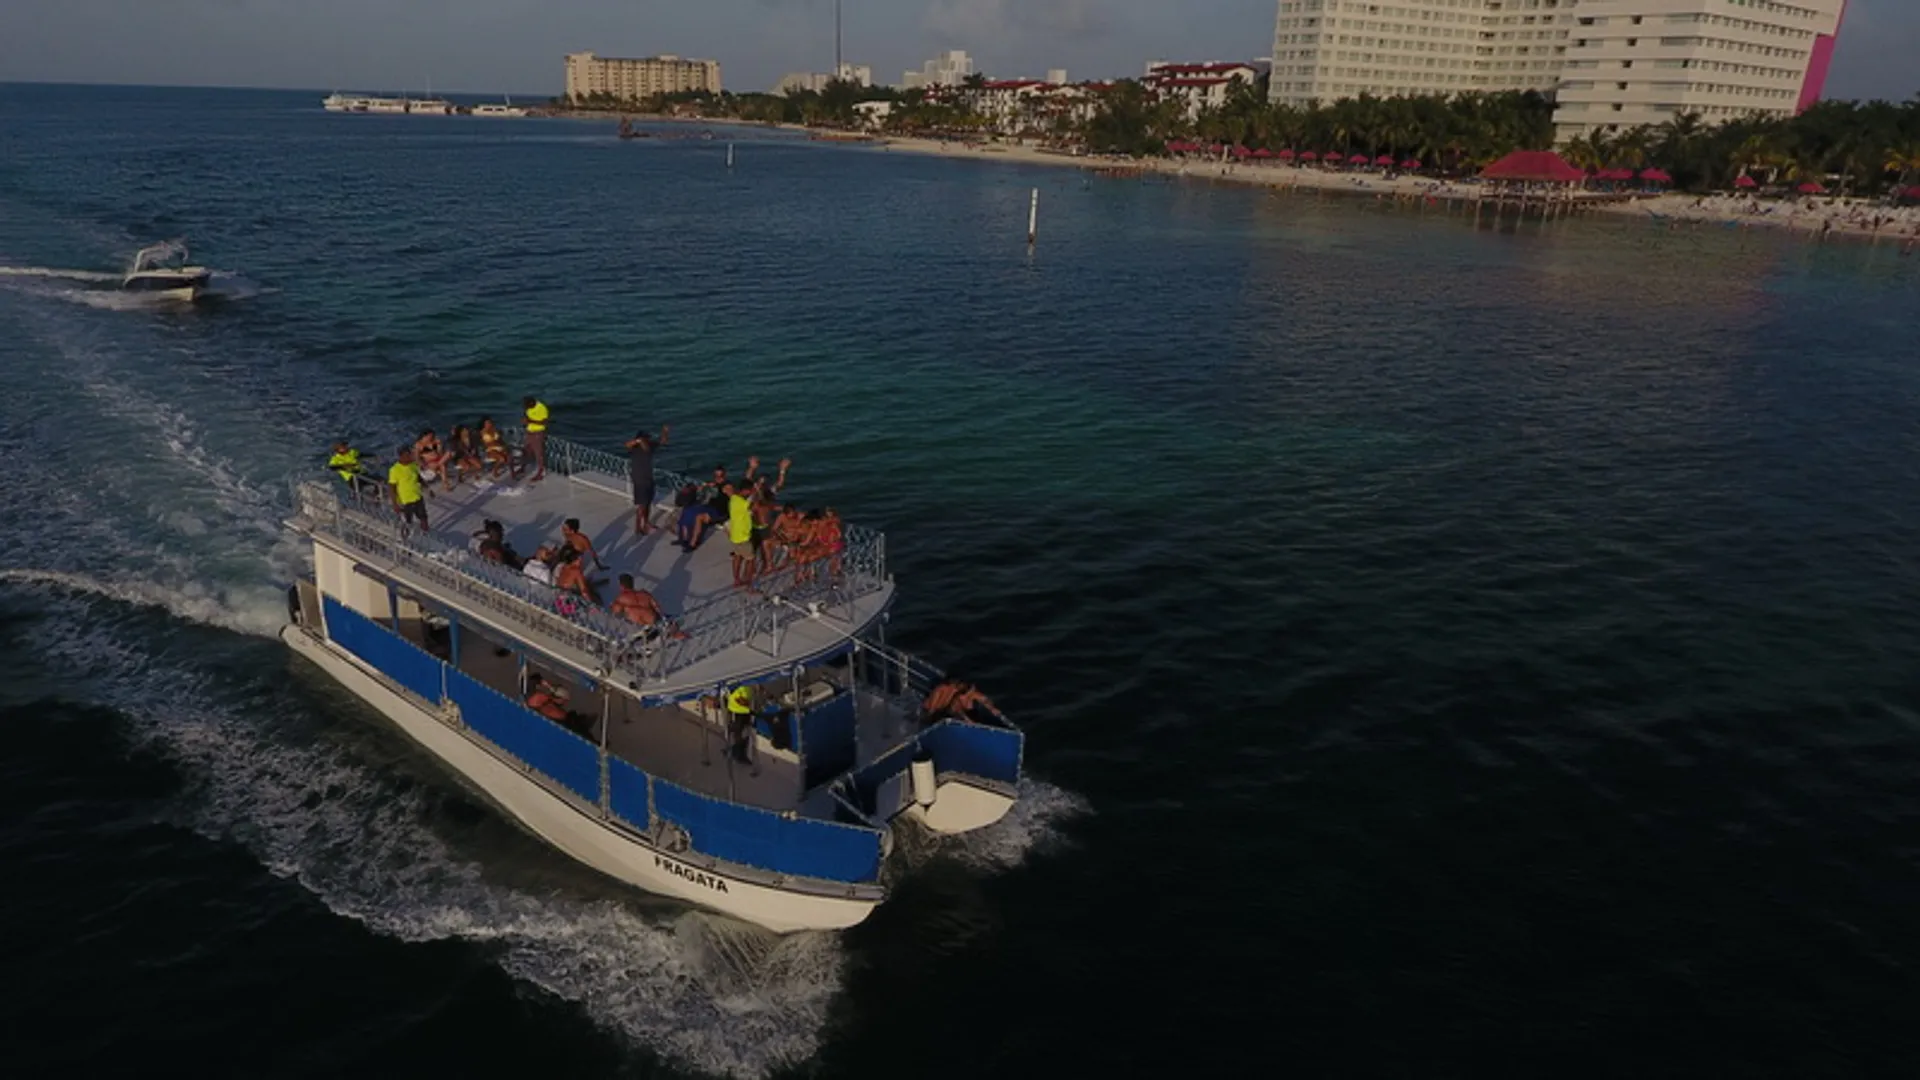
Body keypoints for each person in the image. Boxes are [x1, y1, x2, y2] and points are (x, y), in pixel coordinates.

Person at [610, 573, 688, 639]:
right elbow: (657, 607)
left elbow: (615, 611)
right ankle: (671, 629)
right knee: (669, 619)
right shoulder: (644, 594)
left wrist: (613, 606)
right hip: (652, 621)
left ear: (622, 586)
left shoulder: (621, 598)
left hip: (637, 625)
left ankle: (666, 628)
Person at [625, 424, 670, 534]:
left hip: (648, 477)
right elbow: (627, 444)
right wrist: (638, 441)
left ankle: (646, 522)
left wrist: (665, 432)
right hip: (640, 479)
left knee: (648, 502)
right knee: (642, 504)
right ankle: (638, 527)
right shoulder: (635, 448)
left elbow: (663, 442)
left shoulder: (650, 445)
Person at [526, 673, 592, 737]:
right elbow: (561, 698)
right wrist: (549, 687)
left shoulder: (536, 698)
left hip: (564, 720)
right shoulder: (537, 698)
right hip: (565, 724)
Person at [388, 445, 429, 534]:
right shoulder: (394, 470)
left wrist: (427, 488)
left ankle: (426, 533)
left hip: (417, 496)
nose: (410, 456)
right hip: (405, 501)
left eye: (410, 454)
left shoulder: (413, 465)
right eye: (408, 455)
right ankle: (406, 536)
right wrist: (395, 504)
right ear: (401, 456)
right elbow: (392, 488)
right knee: (407, 521)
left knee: (423, 517)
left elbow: (418, 477)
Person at [725, 476, 757, 589]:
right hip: (743, 536)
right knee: (750, 560)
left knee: (737, 557)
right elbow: (751, 505)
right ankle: (749, 583)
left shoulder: (733, 499)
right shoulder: (742, 502)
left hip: (734, 535)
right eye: (750, 490)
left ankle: (736, 579)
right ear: (746, 490)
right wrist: (756, 492)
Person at [674, 485, 718, 551]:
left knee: (689, 519)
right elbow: (678, 503)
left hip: (702, 508)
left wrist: (703, 489)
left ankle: (692, 542)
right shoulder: (688, 495)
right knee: (683, 518)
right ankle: (682, 539)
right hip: (693, 507)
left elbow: (705, 502)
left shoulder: (704, 492)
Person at [724, 682, 755, 763]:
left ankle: (739, 752)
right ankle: (737, 752)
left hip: (741, 713)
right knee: (739, 732)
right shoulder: (739, 689)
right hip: (738, 713)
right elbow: (739, 700)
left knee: (743, 733)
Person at [523, 396, 550, 482]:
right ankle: (523, 466)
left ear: (532, 403)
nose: (527, 408)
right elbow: (526, 416)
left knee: (539, 453)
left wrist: (531, 421)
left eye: (528, 406)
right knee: (527, 450)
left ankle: (541, 472)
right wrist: (525, 421)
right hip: (529, 431)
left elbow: (545, 422)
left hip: (537, 433)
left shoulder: (541, 408)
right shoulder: (528, 407)